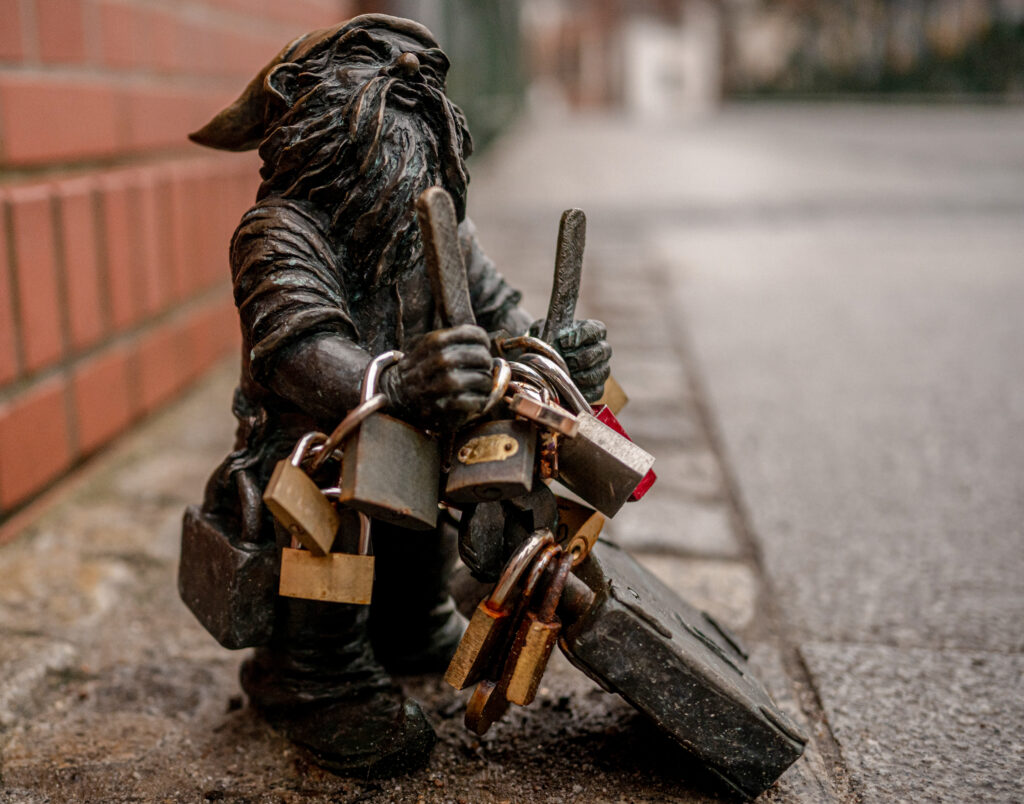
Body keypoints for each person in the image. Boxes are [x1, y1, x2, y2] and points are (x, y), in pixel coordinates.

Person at [182, 14, 611, 777]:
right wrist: (399, 381)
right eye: (371, 63)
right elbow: (298, 350)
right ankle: (311, 674)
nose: (407, 75)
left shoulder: (438, 222)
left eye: (417, 71)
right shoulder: (278, 232)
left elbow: (502, 319)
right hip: (310, 456)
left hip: (418, 438)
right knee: (341, 492)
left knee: (443, 477)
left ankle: (411, 625)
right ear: (305, 115)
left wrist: (555, 348)